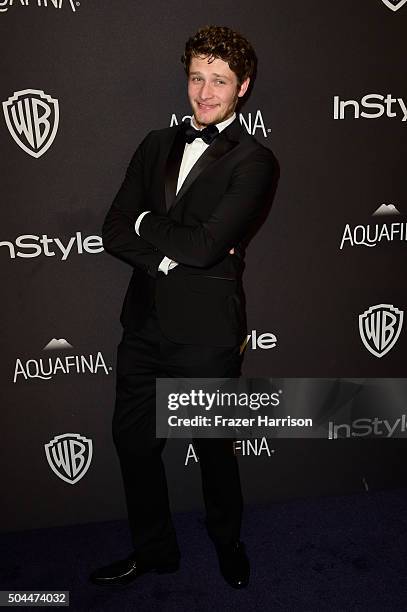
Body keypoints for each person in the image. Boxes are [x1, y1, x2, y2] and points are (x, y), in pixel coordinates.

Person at [90, 25, 279, 590]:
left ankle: (227, 542)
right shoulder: (155, 144)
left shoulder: (255, 161)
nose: (205, 92)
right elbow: (112, 229)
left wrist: (152, 224)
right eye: (197, 77)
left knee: (213, 450)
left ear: (242, 86)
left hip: (204, 335)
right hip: (144, 324)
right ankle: (154, 551)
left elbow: (202, 247)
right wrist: (160, 260)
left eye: (219, 80)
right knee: (133, 444)